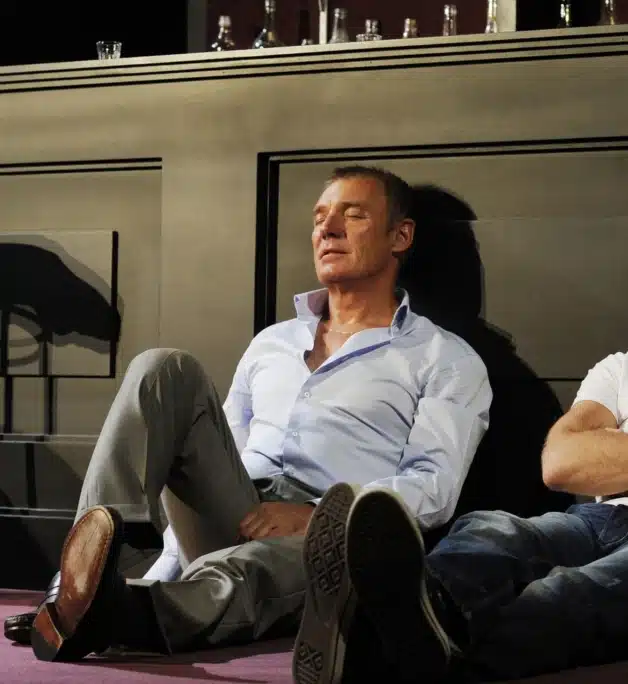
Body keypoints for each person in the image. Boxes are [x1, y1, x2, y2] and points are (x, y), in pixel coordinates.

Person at [293, 175, 628, 683]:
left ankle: (379, 656)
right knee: (492, 532)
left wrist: (623, 470)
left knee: (568, 596)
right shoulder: (625, 368)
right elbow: (559, 465)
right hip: (594, 521)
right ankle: (386, 630)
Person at [21, 165, 492, 662]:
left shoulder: (445, 358)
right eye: (320, 218)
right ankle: (80, 582)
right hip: (239, 511)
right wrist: (168, 559)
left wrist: (317, 515)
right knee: (162, 368)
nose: (328, 230)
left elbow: (433, 485)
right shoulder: (272, 342)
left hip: (333, 535)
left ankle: (116, 613)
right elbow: (223, 451)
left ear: (401, 236)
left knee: (260, 571)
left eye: (352, 216)